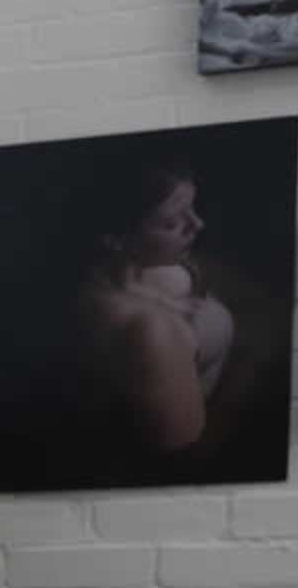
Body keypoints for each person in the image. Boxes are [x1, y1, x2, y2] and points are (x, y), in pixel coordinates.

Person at [69, 159, 241, 455]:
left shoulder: (123, 270)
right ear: (116, 239)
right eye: (171, 223)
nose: (199, 225)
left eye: (193, 209)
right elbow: (177, 452)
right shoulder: (150, 330)